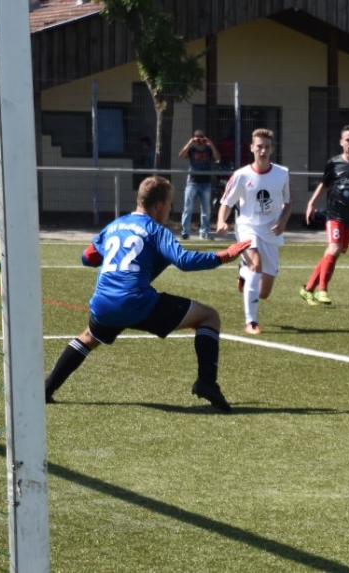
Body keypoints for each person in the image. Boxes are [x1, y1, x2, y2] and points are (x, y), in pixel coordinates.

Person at [43, 175, 251, 411]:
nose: (171, 209)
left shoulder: (114, 225)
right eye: (170, 204)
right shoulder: (156, 231)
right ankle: (207, 383)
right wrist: (224, 255)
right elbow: (184, 261)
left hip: (103, 304)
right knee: (209, 317)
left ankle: (47, 388)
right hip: (137, 303)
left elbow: (87, 257)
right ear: (158, 205)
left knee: (89, 337)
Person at [216, 128, 291, 336]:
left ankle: (243, 271)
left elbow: (288, 204)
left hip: (271, 232)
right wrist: (221, 221)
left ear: (272, 149)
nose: (263, 150)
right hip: (247, 227)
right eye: (259, 146)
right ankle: (251, 322)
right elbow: (226, 203)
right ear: (252, 148)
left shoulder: (282, 174)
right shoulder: (241, 175)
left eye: (267, 147)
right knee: (256, 264)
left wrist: (282, 222)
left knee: (264, 292)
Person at [299, 125, 349, 306]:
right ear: (341, 142)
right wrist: (311, 203)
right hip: (334, 214)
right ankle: (322, 290)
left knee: (333, 253)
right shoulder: (334, 163)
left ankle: (307, 289)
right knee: (334, 249)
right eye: (348, 140)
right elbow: (324, 185)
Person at [177, 129, 220, 240]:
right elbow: (181, 156)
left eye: (202, 137)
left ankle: (205, 232)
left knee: (206, 210)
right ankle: (185, 232)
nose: (200, 139)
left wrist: (211, 144)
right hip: (192, 182)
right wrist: (189, 143)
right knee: (188, 208)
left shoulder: (208, 149)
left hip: (205, 183)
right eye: (197, 137)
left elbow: (217, 157)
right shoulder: (191, 149)